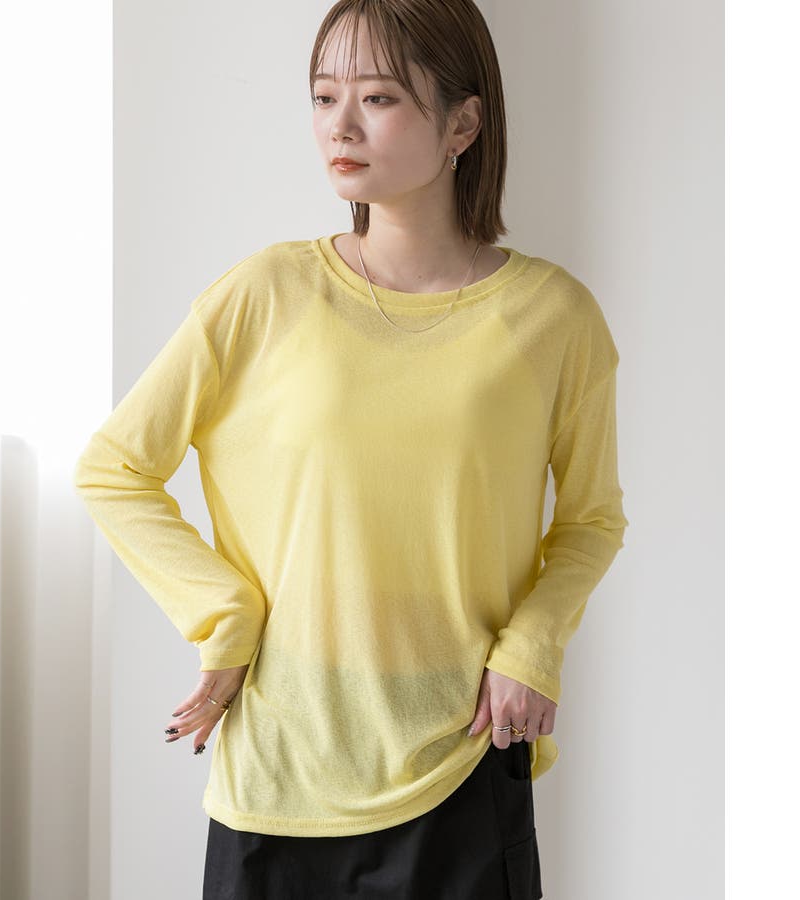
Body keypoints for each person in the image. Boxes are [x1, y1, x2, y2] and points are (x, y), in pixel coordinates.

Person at [73, 0, 629, 896]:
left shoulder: (553, 318)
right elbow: (113, 469)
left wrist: (533, 645)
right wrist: (222, 612)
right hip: (280, 772)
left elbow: (591, 520)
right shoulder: (264, 294)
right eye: (323, 96)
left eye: (378, 98)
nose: (340, 125)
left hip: (460, 757)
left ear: (463, 124)